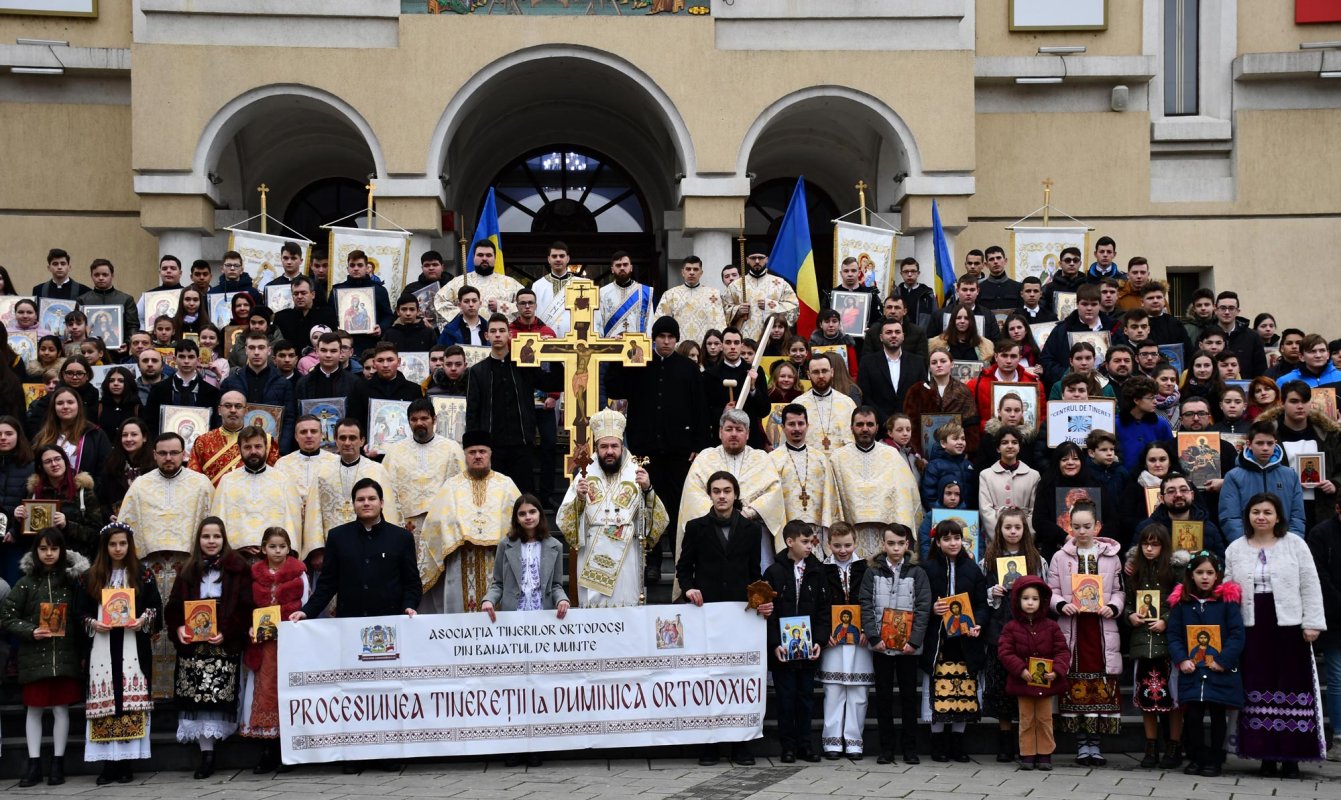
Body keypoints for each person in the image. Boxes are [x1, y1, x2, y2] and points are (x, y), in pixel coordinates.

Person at [1224, 492, 1327, 777]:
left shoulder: (1295, 545)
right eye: (1255, 512)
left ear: (1278, 516)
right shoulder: (1236, 548)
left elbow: (1309, 583)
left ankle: (1292, 756)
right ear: (1248, 516)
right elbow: (1227, 587)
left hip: (1290, 627)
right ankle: (1264, 755)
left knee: (1291, 686)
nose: (1261, 517)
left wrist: (1312, 623)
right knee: (1257, 685)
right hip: (1252, 626)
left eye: (1267, 512)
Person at [676, 470, 774, 766]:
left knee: (738, 679)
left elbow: (754, 572)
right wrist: (690, 588)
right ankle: (709, 743)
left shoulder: (751, 530)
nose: (721, 496)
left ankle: (741, 744)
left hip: (739, 617)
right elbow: (683, 568)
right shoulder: (696, 527)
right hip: (705, 613)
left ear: (735, 494)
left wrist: (762, 602)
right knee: (708, 679)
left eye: (727, 491)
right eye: (716, 490)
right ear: (710, 495)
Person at [605, 315, 704, 581]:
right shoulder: (640, 364)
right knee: (647, 505)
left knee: (675, 505)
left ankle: (680, 561)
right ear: (654, 338)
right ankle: (652, 562)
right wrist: (618, 356)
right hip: (644, 448)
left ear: (676, 339)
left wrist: (697, 443)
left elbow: (699, 408)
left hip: (678, 450)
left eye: (671, 337)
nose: (666, 342)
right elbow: (614, 387)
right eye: (661, 337)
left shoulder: (688, 368)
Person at [116, 432, 214, 698]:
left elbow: (212, 528)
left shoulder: (201, 484)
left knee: (190, 624)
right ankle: (149, 689)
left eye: (174, 453)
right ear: (154, 455)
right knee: (153, 628)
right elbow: (126, 529)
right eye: (163, 453)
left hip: (188, 569)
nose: (169, 458)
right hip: (152, 572)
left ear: (184, 454)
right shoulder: (140, 486)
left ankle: (189, 689)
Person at [479, 494, 569, 768]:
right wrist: (488, 600)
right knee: (514, 686)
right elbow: (497, 583)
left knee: (538, 687)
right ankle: (513, 745)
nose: (528, 517)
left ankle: (536, 745)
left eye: (532, 512)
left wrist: (562, 598)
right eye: (522, 513)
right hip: (513, 623)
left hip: (540, 624)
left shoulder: (553, 545)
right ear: (516, 518)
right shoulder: (506, 545)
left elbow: (555, 585)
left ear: (540, 515)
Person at [166, 517, 253, 780]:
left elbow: (246, 607)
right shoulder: (188, 570)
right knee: (197, 699)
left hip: (222, 643)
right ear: (198, 540)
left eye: (216, 537)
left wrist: (227, 632)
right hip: (194, 646)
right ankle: (206, 752)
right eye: (206, 537)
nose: (212, 542)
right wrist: (179, 627)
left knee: (217, 697)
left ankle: (216, 749)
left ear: (224, 539)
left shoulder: (238, 569)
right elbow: (172, 607)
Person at [0, 528, 87, 786]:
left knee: (61, 709)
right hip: (34, 657)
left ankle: (57, 763)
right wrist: (31, 630)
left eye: (54, 549)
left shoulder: (72, 582)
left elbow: (81, 616)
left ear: (62, 551)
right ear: (35, 551)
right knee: (34, 710)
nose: (49, 554)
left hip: (64, 656)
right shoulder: (26, 583)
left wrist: (80, 651)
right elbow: (6, 617)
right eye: (43, 549)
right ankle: (34, 763)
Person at [556, 408, 668, 608]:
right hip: (591, 551)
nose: (609, 451)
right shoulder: (584, 476)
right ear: (596, 448)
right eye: (604, 446)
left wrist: (648, 489)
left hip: (627, 556)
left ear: (622, 446)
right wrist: (580, 500)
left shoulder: (637, 474)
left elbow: (657, 524)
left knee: (626, 609)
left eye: (614, 446)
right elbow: (565, 524)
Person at [78, 522, 160, 784]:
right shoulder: (91, 577)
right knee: (106, 700)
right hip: (102, 644)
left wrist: (143, 619)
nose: (118, 548)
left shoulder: (142, 575)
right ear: (105, 546)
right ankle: (107, 764)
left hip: (132, 644)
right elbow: (79, 612)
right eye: (113, 544)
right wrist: (92, 623)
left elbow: (154, 607)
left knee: (127, 699)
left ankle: (125, 763)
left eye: (122, 543)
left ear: (129, 545)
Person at [1047, 500, 1124, 766]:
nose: (1081, 531)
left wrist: (1113, 606)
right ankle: (1082, 744)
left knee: (1100, 686)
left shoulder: (1111, 557)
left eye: (1087, 526)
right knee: (1076, 686)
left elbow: (1119, 590)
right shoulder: (1060, 557)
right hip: (1073, 629)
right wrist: (1060, 604)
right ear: (1069, 527)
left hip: (1101, 629)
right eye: (1076, 526)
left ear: (1097, 526)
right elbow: (1052, 590)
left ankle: (1096, 745)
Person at [291, 476, 420, 628]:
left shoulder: (401, 537)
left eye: (372, 498)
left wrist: (409, 606)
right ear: (353, 504)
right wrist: (306, 612)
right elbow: (327, 584)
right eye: (360, 499)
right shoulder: (337, 537)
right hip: (350, 622)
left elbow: (412, 582)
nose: (366, 503)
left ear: (382, 503)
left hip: (390, 622)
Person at [418, 431, 520, 614]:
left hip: (497, 558)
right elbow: (435, 524)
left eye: (482, 451)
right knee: (461, 621)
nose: (478, 456)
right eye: (472, 452)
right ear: (465, 455)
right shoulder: (451, 486)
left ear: (490, 454)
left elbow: (519, 520)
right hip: (461, 559)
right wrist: (453, 536)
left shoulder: (506, 484)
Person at [676, 409, 786, 575]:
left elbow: (773, 492)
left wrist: (747, 514)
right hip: (713, 535)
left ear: (748, 434)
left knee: (756, 584)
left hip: (751, 531)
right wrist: (723, 514)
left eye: (739, 429)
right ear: (720, 432)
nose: (734, 434)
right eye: (729, 429)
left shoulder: (761, 458)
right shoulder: (705, 458)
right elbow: (694, 494)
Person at [1164, 551, 1244, 777]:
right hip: (1192, 671)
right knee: (1193, 716)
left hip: (1220, 671)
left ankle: (1216, 759)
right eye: (1200, 572)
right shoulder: (1182, 604)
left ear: (1218, 575)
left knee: (1218, 715)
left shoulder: (1226, 603)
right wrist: (1182, 659)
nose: (1205, 577)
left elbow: (1237, 634)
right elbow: (1174, 635)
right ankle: (1197, 757)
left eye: (1210, 572)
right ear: (1191, 575)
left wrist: (1223, 660)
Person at [858, 523, 930, 765]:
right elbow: (865, 604)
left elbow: (923, 607)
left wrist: (914, 641)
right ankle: (886, 749)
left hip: (908, 647)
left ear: (907, 545)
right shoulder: (873, 572)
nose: (896, 548)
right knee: (884, 698)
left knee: (909, 698)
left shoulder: (917, 572)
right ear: (883, 544)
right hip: (881, 646)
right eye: (891, 543)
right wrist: (874, 636)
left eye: (900, 544)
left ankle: (910, 749)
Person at [238, 526, 308, 773]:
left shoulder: (299, 573)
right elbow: (246, 605)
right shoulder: (254, 574)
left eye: (282, 546)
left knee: (287, 691)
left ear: (289, 548)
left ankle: (288, 751)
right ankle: (267, 750)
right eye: (272, 546)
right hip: (263, 644)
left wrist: (298, 622)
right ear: (263, 548)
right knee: (264, 691)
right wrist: (249, 627)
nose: (278, 551)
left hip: (289, 643)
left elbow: (306, 604)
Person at [919, 519, 987, 763]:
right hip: (938, 640)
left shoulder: (972, 570)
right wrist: (931, 608)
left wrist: (977, 622)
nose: (953, 543)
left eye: (957, 538)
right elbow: (917, 602)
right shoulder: (927, 569)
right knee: (939, 690)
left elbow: (981, 603)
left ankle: (958, 744)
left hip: (964, 642)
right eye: (947, 539)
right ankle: (937, 743)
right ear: (937, 542)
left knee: (963, 690)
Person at [764, 521, 829, 763]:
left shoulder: (818, 571)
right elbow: (768, 613)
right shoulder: (774, 572)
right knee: (786, 697)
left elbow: (824, 610)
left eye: (812, 541)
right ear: (790, 542)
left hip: (808, 647)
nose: (810, 546)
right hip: (783, 649)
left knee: (806, 697)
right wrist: (774, 644)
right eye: (804, 541)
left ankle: (806, 744)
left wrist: (819, 641)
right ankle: (788, 746)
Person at [464, 314, 550, 494]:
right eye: (493, 331)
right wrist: (475, 448)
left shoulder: (524, 366)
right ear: (486, 336)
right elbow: (473, 411)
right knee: (494, 497)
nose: (497, 335)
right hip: (492, 447)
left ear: (509, 334)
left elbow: (551, 384)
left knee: (523, 496)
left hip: (522, 443)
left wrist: (551, 350)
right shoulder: (477, 371)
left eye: (502, 331)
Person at [1123, 523, 1182, 769]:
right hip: (1141, 642)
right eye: (1145, 544)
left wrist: (1166, 620)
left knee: (1173, 698)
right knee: (1147, 696)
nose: (1149, 549)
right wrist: (1130, 616)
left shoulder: (1175, 571)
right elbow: (1126, 601)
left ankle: (1174, 747)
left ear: (1163, 546)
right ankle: (1150, 747)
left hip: (1167, 645)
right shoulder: (1134, 571)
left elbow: (1180, 600)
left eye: (1154, 544)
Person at [997, 575, 1069, 771]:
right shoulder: (1011, 628)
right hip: (1023, 683)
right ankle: (1027, 753)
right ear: (1017, 601)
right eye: (1026, 598)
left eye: (1035, 599)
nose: (1030, 602)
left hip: (1046, 683)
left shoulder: (1052, 627)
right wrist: (1020, 669)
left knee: (1045, 719)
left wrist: (1057, 671)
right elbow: (1005, 652)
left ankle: (1045, 754)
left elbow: (1062, 650)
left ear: (1042, 601)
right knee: (1026, 719)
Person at [829, 406, 922, 558]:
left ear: (877, 427)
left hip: (885, 536)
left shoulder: (891, 455)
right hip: (851, 538)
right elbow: (833, 499)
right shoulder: (838, 458)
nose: (865, 429)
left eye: (870, 424)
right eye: (860, 425)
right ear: (851, 427)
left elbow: (906, 493)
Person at [303, 418, 400, 556]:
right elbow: (314, 512)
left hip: (371, 545)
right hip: (332, 547)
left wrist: (387, 545)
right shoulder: (322, 472)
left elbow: (389, 510)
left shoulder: (377, 470)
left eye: (352, 438)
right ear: (336, 440)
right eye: (342, 438)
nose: (347, 443)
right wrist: (316, 550)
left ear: (362, 440)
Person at [820, 523, 872, 760]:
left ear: (856, 543)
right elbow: (819, 605)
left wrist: (868, 629)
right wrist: (823, 634)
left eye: (848, 545)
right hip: (833, 640)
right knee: (833, 690)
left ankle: (854, 741)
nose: (843, 550)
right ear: (828, 544)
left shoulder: (867, 569)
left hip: (860, 639)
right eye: (837, 545)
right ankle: (832, 740)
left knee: (858, 692)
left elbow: (872, 601)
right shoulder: (821, 570)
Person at [210, 425, 303, 551]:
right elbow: (218, 522)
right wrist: (239, 547)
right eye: (247, 447)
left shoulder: (283, 480)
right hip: (237, 557)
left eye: (258, 446)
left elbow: (292, 524)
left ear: (266, 447)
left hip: (274, 558)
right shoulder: (228, 481)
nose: (253, 451)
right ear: (239, 449)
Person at [383, 398, 465, 534]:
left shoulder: (452, 449)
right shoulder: (394, 451)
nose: (419, 423)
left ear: (434, 419)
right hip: (406, 524)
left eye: (424, 418)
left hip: (441, 523)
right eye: (414, 419)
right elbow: (385, 489)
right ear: (408, 421)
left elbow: (461, 487)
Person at [767, 404, 840, 552]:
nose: (797, 429)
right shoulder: (772, 459)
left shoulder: (820, 458)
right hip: (787, 530)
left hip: (816, 532)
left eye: (801, 423)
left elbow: (830, 497)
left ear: (807, 426)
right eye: (791, 424)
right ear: (782, 427)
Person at [1220, 420, 1306, 541]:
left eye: (1269, 443)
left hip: (1284, 546)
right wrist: (1244, 545)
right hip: (1247, 545)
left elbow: (1297, 516)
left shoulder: (1290, 475)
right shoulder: (1234, 476)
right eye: (1260, 443)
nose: (1265, 448)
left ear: (1275, 444)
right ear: (1249, 444)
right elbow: (1230, 517)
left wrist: (1292, 543)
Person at [16, 444, 103, 558]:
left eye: (57, 459)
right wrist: (19, 521)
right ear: (41, 466)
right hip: (44, 560)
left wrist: (67, 525)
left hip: (76, 562)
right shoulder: (34, 493)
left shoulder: (83, 491)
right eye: (48, 461)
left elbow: (97, 534)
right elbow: (26, 538)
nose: (54, 464)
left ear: (65, 461)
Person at [219, 331, 297, 452]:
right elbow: (221, 416)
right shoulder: (231, 382)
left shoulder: (283, 383)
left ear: (269, 351)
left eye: (261, 348)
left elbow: (289, 419)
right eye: (252, 348)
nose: (256, 352)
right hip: (236, 445)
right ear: (246, 350)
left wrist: (281, 448)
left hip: (271, 447)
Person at [188, 391, 279, 486]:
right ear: (219, 410)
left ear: (246, 411)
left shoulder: (265, 440)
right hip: (214, 499)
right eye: (227, 406)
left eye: (238, 406)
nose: (233, 410)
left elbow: (272, 477)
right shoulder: (203, 441)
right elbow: (193, 479)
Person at [432, 240, 522, 326]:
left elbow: (527, 305)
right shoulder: (459, 282)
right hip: (467, 336)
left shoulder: (510, 283)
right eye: (480, 255)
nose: (484, 258)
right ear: (473, 257)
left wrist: (500, 306)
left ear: (495, 258)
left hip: (499, 336)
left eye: (488, 255)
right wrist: (461, 311)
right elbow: (439, 301)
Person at [31, 386, 113, 479]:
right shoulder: (43, 435)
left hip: (85, 491)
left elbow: (106, 470)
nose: (65, 407)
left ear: (78, 405)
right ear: (53, 408)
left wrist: (90, 491)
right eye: (60, 403)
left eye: (70, 402)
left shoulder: (95, 434)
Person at [857, 317, 925, 427]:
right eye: (888, 332)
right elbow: (865, 396)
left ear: (903, 336)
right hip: (879, 427)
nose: (893, 335)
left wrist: (904, 422)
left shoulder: (917, 362)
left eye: (897, 332)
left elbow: (922, 394)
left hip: (909, 427)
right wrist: (886, 422)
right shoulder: (867, 362)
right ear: (881, 337)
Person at [978, 427, 1041, 539]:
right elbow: (986, 510)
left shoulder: (1033, 476)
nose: (1010, 446)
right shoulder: (986, 475)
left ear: (1019, 447)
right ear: (998, 448)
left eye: (1014, 442)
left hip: (1025, 538)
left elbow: (1034, 511)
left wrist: (1026, 537)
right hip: (996, 539)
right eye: (1004, 442)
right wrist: (999, 537)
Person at [795, 353, 856, 452]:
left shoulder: (847, 403)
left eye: (824, 371)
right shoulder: (798, 404)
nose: (821, 376)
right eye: (815, 372)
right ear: (808, 375)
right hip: (810, 463)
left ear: (832, 372)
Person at [1116, 376, 1174, 472]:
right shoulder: (1116, 424)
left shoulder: (1161, 423)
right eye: (1151, 398)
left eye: (1156, 397)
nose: (1155, 401)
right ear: (1136, 400)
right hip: (1125, 478)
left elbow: (1171, 453)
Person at [77, 258, 140, 344]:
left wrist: (128, 344)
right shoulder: (82, 300)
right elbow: (78, 326)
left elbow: (133, 326)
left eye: (105, 275)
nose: (101, 278)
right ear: (91, 276)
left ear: (112, 275)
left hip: (119, 352)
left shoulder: (126, 299)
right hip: (90, 351)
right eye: (96, 275)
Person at [529, 241, 585, 338]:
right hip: (545, 341)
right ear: (548, 259)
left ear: (568, 259)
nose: (558, 259)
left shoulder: (582, 284)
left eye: (562, 256)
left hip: (576, 340)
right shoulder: (538, 286)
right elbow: (532, 316)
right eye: (554, 256)